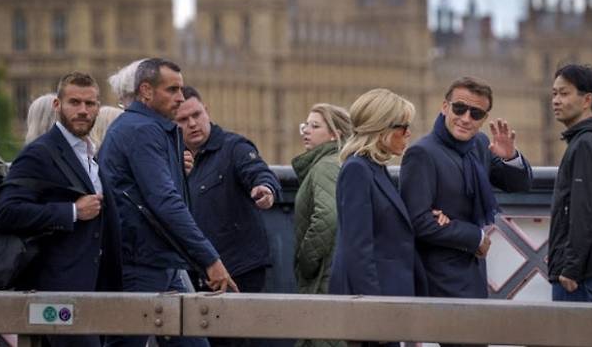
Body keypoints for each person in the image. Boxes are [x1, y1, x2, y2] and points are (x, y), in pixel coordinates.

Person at [99, 58, 237, 347]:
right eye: (172, 90)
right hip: (139, 262)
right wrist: (209, 259)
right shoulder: (142, 131)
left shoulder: (150, 128)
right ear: (146, 91)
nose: (181, 97)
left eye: (182, 89)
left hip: (158, 259)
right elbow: (165, 202)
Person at [399, 76, 532, 342]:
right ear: (444, 107)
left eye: (476, 113)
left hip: (473, 272)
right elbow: (417, 221)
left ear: (484, 118)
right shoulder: (422, 154)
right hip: (440, 276)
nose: (466, 118)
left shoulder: (480, 145)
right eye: (459, 108)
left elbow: (519, 184)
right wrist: (476, 237)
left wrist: (509, 158)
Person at [0, 72, 122, 347]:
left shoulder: (90, 154)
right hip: (59, 293)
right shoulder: (40, 153)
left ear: (98, 107)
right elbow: (6, 212)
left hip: (97, 292)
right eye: (74, 102)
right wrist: (71, 212)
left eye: (89, 104)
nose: (83, 111)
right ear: (57, 106)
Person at [330, 89, 441, 347]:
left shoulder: (376, 169)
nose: (409, 133)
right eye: (403, 128)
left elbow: (388, 221)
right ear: (382, 130)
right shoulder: (357, 170)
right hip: (373, 302)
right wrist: (375, 310)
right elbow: (358, 248)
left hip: (390, 295)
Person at [174, 85, 280, 347]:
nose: (193, 124)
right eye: (183, 120)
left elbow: (258, 172)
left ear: (207, 111)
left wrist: (265, 190)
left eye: (197, 115)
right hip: (192, 271)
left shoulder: (234, 147)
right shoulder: (170, 159)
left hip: (237, 269)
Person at [548, 64, 592, 303]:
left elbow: (584, 211)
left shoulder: (587, 144)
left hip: (581, 275)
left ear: (587, 99)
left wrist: (571, 267)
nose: (556, 101)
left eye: (564, 93)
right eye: (554, 94)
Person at [292, 103, 352, 347]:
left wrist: (306, 260)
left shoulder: (326, 165)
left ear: (334, 134)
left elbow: (328, 216)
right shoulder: (338, 162)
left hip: (322, 279)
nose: (306, 130)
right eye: (305, 125)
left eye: (315, 126)